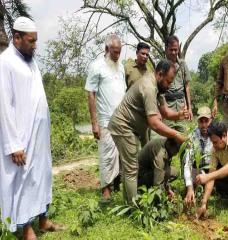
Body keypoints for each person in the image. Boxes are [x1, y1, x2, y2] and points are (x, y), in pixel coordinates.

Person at [0, 17, 64, 239]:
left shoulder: (30, 59)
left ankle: (43, 220)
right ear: (16, 38)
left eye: (36, 40)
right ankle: (25, 229)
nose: (35, 45)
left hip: (39, 136)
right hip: (21, 137)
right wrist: (13, 144)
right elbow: (4, 106)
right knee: (24, 181)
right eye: (31, 41)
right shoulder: (5, 62)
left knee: (42, 176)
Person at [108, 59, 188, 204]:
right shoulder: (149, 87)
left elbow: (164, 111)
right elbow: (154, 123)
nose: (170, 85)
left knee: (130, 168)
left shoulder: (159, 87)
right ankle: (133, 207)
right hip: (123, 125)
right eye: (169, 81)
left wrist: (177, 115)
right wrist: (176, 134)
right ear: (160, 74)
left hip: (132, 129)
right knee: (131, 168)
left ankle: (129, 201)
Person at [85, 34, 126, 202]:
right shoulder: (97, 67)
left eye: (119, 52)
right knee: (107, 155)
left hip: (121, 119)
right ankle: (105, 190)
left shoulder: (121, 66)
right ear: (106, 49)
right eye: (115, 52)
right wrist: (94, 123)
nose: (117, 55)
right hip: (105, 120)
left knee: (120, 155)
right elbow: (90, 94)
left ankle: (116, 185)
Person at [181, 106, 213, 206]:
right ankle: (191, 189)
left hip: (212, 169)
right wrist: (189, 187)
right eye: (201, 121)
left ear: (211, 120)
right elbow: (187, 164)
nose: (204, 125)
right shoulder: (192, 136)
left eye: (206, 121)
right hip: (197, 169)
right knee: (186, 162)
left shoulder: (216, 134)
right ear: (197, 122)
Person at [163, 35, 193, 132]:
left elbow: (187, 87)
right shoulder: (161, 65)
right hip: (168, 107)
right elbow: (159, 90)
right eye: (171, 50)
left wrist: (189, 108)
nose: (173, 52)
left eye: (176, 50)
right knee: (168, 140)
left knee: (183, 138)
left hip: (181, 107)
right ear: (166, 49)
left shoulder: (183, 64)